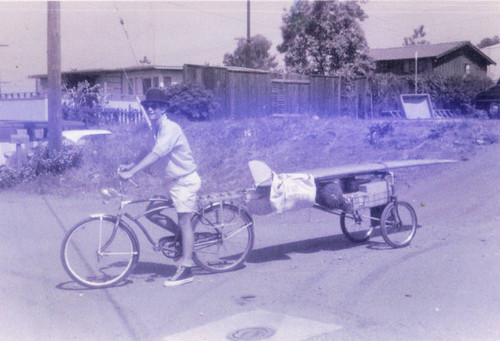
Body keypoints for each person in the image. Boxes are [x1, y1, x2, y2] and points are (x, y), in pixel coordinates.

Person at [118, 88, 201, 287]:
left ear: (164, 108)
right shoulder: (157, 127)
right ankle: (181, 240)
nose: (151, 109)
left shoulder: (171, 129)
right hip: (170, 182)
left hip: (184, 181)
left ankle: (187, 268)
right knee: (152, 213)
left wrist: (132, 173)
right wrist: (131, 164)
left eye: (155, 106)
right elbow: (149, 150)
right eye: (148, 106)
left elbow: (156, 154)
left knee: (184, 221)